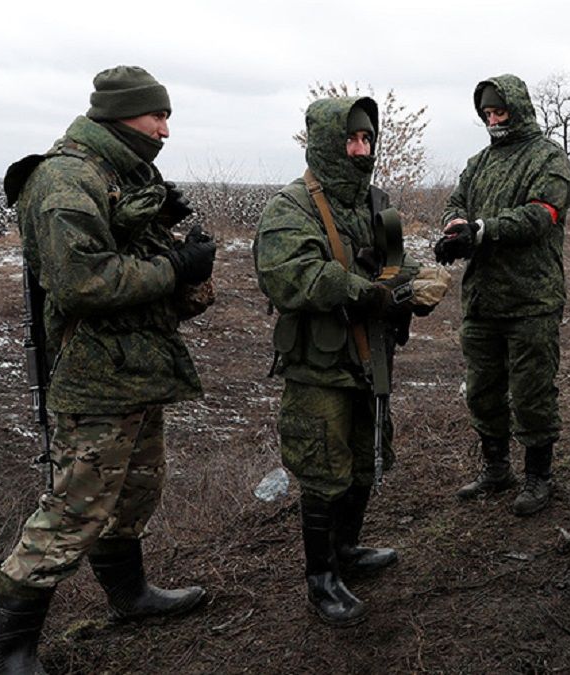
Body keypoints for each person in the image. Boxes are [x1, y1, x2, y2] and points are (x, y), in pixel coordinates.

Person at [0, 65, 216, 674]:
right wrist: (175, 269)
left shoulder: (124, 173)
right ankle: (9, 654)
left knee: (136, 490)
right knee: (73, 509)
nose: (165, 129)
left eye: (167, 115)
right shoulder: (66, 180)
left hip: (137, 363)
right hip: (93, 374)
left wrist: (171, 240)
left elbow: (128, 254)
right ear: (119, 115)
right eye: (156, 116)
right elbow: (83, 280)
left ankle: (129, 597)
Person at [255, 96, 447, 626]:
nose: (361, 150)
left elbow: (390, 263)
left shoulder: (372, 203)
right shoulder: (289, 209)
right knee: (324, 468)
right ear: (324, 142)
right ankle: (321, 580)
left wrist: (415, 281)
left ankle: (347, 551)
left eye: (367, 139)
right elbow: (292, 275)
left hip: (370, 357)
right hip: (320, 364)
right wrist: (367, 294)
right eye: (350, 140)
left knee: (366, 458)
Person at [435, 75, 570, 517]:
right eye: (487, 114)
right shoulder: (478, 163)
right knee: (482, 389)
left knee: (532, 392)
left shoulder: (548, 158)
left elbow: (540, 216)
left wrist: (482, 231)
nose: (493, 121)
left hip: (531, 300)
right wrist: (456, 226)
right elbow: (455, 202)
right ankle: (496, 468)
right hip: (482, 300)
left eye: (499, 112)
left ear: (517, 108)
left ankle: (539, 477)